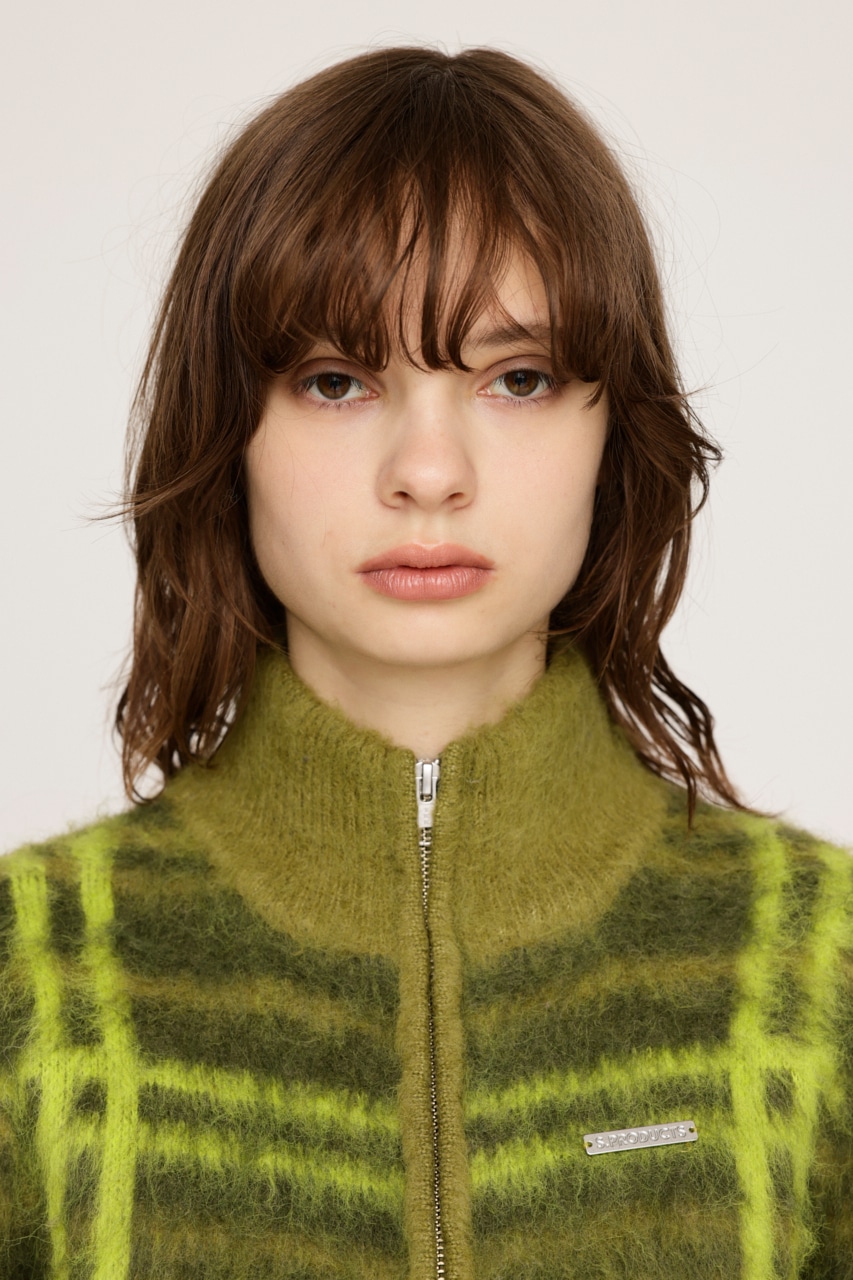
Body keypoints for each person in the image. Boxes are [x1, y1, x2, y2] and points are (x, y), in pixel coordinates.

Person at [0, 45, 850, 1280]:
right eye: (336, 380)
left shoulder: (820, 963)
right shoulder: (29, 971)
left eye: (518, 378)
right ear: (226, 425)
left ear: (615, 429)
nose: (429, 472)